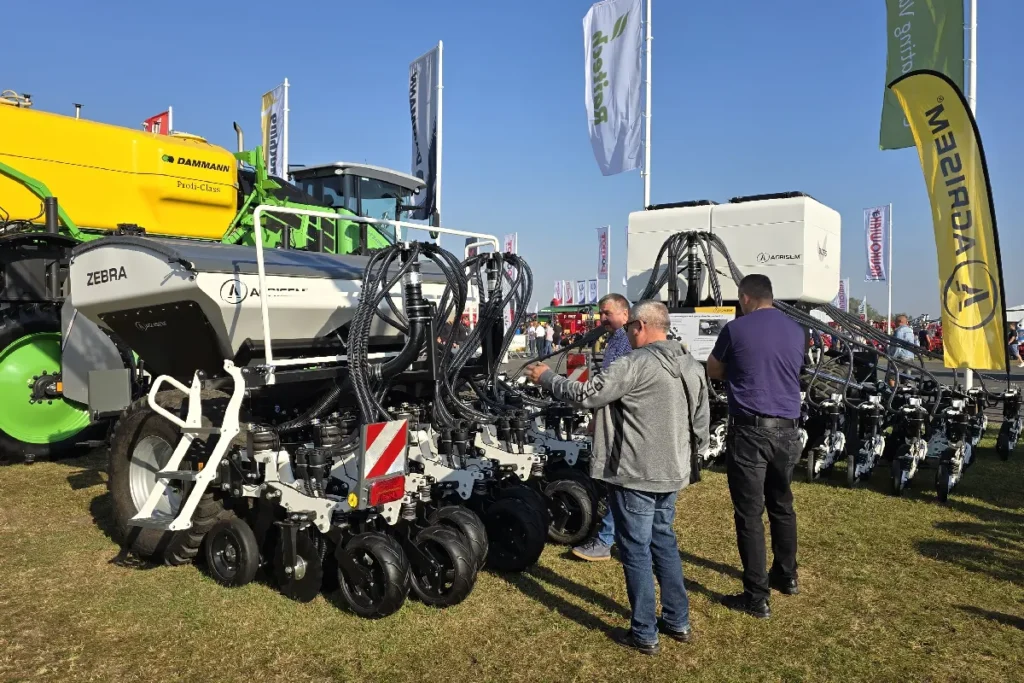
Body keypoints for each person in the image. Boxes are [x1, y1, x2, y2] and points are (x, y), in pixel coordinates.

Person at [526, 300, 710, 655]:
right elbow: (700, 423)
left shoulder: (635, 364)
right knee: (664, 542)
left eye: (629, 329)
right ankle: (677, 620)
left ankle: (644, 631)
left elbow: (589, 395)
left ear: (639, 326)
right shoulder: (690, 364)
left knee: (635, 550)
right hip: (672, 472)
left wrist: (547, 378)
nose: (626, 333)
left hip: (636, 474)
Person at [706, 274, 805, 620]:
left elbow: (714, 369)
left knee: (749, 513)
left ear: (745, 298)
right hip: (788, 429)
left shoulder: (736, 329)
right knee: (782, 504)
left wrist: (738, 370)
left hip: (750, 430)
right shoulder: (796, 330)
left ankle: (756, 596)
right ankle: (787, 575)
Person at [572, 292, 633, 561]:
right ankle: (628, 537)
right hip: (612, 417)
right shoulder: (615, 340)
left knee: (621, 482)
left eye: (607, 313)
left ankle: (606, 540)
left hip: (623, 423)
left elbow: (614, 387)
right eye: (601, 313)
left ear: (625, 314)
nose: (602, 318)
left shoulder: (628, 342)